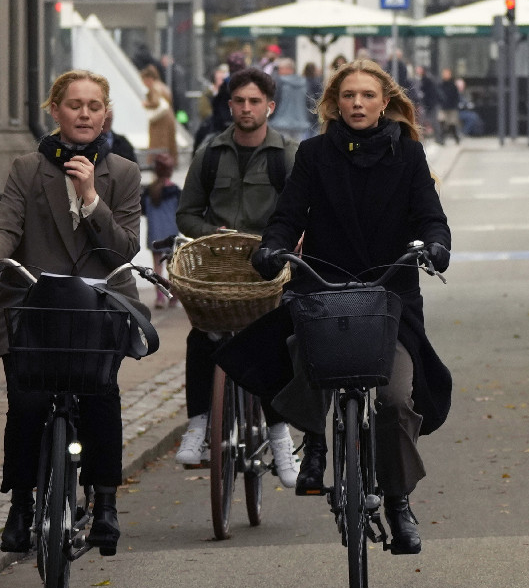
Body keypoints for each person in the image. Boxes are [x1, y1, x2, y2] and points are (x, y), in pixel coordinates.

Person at [237, 60, 453, 557]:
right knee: (300, 356)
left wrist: (435, 246)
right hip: (324, 289)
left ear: (385, 103)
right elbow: (288, 216)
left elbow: (430, 217)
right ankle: (314, 440)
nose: (357, 104)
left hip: (388, 298)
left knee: (397, 399)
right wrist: (272, 248)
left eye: (367, 96)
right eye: (348, 96)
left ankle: (398, 501)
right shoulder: (314, 155)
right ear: (335, 103)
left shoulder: (409, 155)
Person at [0, 71, 147, 557]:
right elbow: (5, 225)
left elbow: (124, 249)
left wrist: (91, 198)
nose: (84, 114)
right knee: (26, 405)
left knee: (100, 399)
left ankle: (105, 500)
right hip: (36, 306)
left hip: (97, 308)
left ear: (105, 113)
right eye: (74, 105)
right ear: (56, 111)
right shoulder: (28, 168)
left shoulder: (124, 174)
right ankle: (22, 504)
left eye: (94, 106)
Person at [175, 67, 302, 484]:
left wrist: (286, 242)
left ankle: (280, 438)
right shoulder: (209, 154)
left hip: (269, 267)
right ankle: (198, 425)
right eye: (239, 102)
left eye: (254, 102)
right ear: (229, 105)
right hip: (218, 266)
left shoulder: (287, 154)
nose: (246, 109)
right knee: (201, 335)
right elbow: (186, 213)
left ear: (270, 106)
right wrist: (213, 235)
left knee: (272, 342)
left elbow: (305, 211)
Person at [143, 151, 180, 309]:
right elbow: (181, 210)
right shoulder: (175, 191)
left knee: (157, 267)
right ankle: (173, 295)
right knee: (173, 267)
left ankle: (160, 296)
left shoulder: (148, 191)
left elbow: (143, 210)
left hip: (155, 233)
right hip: (171, 233)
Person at [141, 63, 179, 161]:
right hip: (168, 118)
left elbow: (155, 102)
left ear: (149, 79)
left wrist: (146, 104)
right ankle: (170, 162)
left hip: (159, 121)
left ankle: (159, 164)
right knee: (168, 143)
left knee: (158, 146)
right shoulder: (162, 86)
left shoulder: (154, 88)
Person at [271, 57, 311, 139]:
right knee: (297, 149)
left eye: (281, 68)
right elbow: (308, 103)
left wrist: (270, 116)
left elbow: (275, 100)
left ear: (289, 69)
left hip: (280, 123)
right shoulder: (304, 83)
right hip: (300, 123)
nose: (279, 71)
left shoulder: (279, 82)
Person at [433, 66, 462, 143]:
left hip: (452, 107)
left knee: (452, 123)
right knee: (442, 121)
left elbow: (456, 96)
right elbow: (437, 95)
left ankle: (456, 137)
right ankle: (442, 138)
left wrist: (455, 104)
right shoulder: (440, 84)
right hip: (443, 107)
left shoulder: (453, 85)